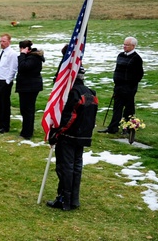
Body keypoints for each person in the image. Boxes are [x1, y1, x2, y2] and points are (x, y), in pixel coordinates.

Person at [46, 68, 98, 211]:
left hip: (69, 136)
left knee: (66, 168)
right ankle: (73, 199)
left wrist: (56, 133)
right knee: (75, 167)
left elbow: (69, 117)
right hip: (82, 136)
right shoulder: (90, 92)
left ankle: (65, 200)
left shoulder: (73, 93)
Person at [101, 37, 145, 134]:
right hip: (118, 86)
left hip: (129, 88)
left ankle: (128, 128)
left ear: (133, 46)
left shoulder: (136, 58)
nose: (124, 46)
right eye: (124, 44)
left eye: (127, 45)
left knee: (128, 109)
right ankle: (113, 128)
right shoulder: (120, 55)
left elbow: (139, 74)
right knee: (117, 108)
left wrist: (130, 85)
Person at [15, 40, 45, 140]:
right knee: (25, 109)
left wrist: (22, 55)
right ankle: (27, 130)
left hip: (30, 87)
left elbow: (23, 67)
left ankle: (27, 132)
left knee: (28, 110)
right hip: (26, 87)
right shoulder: (31, 57)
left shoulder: (33, 58)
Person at [0, 33, 18, 134]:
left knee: (4, 104)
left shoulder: (12, 53)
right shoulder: (0, 53)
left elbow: (13, 68)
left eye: (4, 41)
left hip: (5, 81)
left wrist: (8, 81)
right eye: (1, 41)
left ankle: (5, 125)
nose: (1, 43)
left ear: (9, 42)